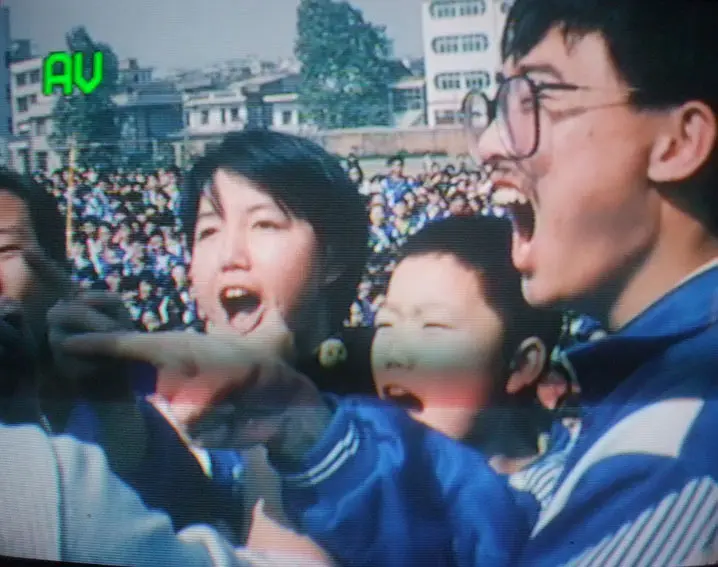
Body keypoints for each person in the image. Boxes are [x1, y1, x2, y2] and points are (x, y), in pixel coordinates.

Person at [64, 0, 718, 565]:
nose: (489, 143)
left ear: (677, 141)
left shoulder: (680, 449)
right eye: (208, 230)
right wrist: (301, 429)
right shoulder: (635, 397)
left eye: (535, 100)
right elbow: (503, 537)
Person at [0, 168, 244, 540]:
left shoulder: (122, 414)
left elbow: (191, 530)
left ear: (58, 271)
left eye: (3, 250)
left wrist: (114, 405)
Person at [372, 216, 561, 471]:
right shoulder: (362, 482)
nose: (394, 355)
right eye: (385, 324)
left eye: (433, 327)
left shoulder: (577, 502)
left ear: (522, 365)